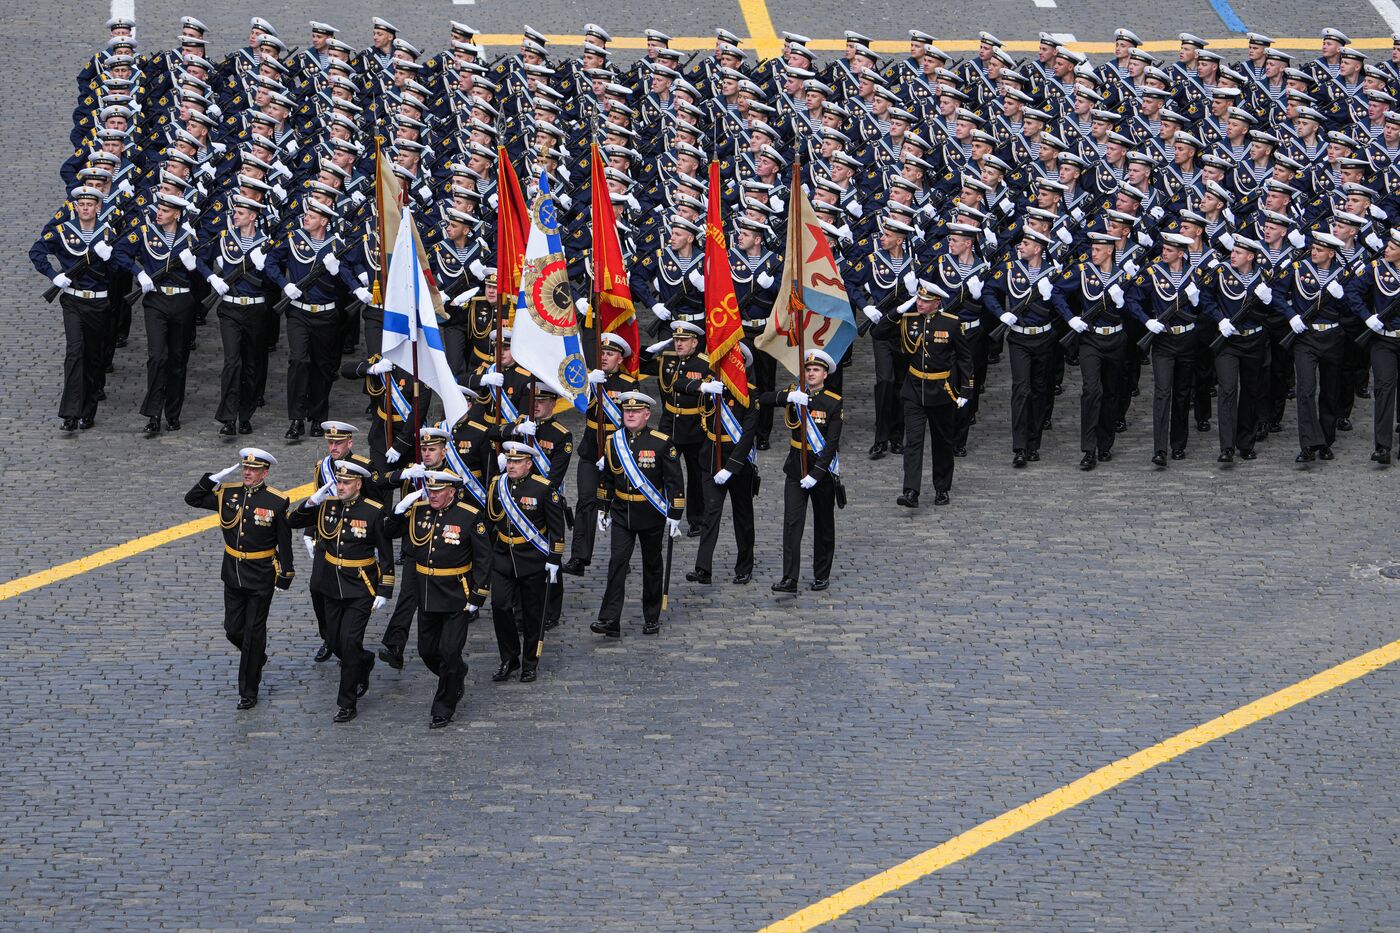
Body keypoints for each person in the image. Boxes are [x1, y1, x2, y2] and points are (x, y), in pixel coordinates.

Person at [184, 447, 294, 710]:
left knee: (254, 633)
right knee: (233, 629)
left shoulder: (276, 502)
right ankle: (257, 657)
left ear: (264, 473)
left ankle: (248, 691)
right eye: (245, 468)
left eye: (254, 470)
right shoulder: (228, 494)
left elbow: (285, 543)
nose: (247, 473)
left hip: (261, 575)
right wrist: (212, 479)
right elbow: (193, 499)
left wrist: (285, 574)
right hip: (233, 573)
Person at [288, 460, 394, 723]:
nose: (341, 486)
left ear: (358, 484)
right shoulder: (326, 506)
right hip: (331, 586)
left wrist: (385, 589)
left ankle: (347, 703)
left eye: (346, 482)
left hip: (360, 587)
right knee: (335, 642)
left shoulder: (374, 512)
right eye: (339, 481)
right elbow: (292, 521)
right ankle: (364, 660)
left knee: (349, 643)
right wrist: (310, 502)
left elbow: (387, 556)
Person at [383, 470, 490, 729]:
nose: (433, 495)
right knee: (427, 650)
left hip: (456, 596)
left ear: (452, 492)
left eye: (438, 491)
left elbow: (484, 559)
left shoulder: (469, 516)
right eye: (430, 490)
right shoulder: (419, 511)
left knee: (450, 651)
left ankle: (444, 706)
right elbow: (389, 531)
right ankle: (455, 676)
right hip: (427, 593)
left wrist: (478, 595)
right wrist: (400, 509)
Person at [592, 392, 685, 636]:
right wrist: (604, 508)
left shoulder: (661, 442)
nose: (630, 415)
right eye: (626, 411)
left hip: (651, 513)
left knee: (652, 565)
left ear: (647, 414)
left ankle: (651, 616)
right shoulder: (614, 441)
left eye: (635, 411)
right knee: (617, 564)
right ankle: (609, 619)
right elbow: (607, 479)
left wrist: (675, 514)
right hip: (622, 513)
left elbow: (675, 481)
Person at [114, 192, 207, 436]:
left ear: (176, 214)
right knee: (157, 356)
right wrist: (139, 272)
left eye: (165, 211)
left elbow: (204, 269)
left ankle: (173, 413)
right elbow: (119, 251)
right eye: (159, 209)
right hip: (156, 300)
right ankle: (154, 413)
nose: (159, 213)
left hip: (182, 300)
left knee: (178, 359)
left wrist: (193, 266)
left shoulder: (190, 239)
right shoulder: (145, 233)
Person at [873, 281, 972, 505]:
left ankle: (942, 487)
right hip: (914, 390)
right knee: (913, 442)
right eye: (918, 299)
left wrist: (966, 389)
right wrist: (897, 311)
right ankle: (910, 491)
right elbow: (878, 333)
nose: (919, 303)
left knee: (943, 443)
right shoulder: (908, 320)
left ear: (937, 303)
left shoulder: (951, 323)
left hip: (942, 391)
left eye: (925, 301)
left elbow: (965, 358)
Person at [30, 185, 117, 432]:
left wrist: (110, 259)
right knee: (75, 352)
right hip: (73, 300)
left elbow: (118, 273)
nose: (85, 208)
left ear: (99, 207)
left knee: (93, 357)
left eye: (90, 205)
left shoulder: (109, 234)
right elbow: (36, 251)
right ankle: (70, 413)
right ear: (76, 207)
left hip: (99, 302)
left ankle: (88, 411)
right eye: (81, 205)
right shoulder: (63, 231)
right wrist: (53, 275)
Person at [1125, 232, 1215, 465]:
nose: (1164, 252)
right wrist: (1147, 321)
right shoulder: (1153, 272)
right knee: (1163, 392)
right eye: (1164, 248)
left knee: (1183, 393)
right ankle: (1159, 448)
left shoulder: (1195, 275)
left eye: (1169, 250)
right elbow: (1132, 299)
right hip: (1163, 340)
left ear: (1181, 253)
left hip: (1187, 340)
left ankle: (1178, 444)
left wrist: (1196, 302)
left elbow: (1207, 306)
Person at [1277, 232, 1365, 461]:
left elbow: (1349, 311)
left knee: (1330, 391)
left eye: (1319, 249)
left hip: (1333, 337)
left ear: (1331, 253)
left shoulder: (1343, 274)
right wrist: (1291, 315)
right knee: (1305, 390)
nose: (1313, 251)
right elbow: (1276, 294)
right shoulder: (1297, 268)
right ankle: (1308, 443)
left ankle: (1326, 440)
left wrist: (1341, 297)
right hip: (1305, 335)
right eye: (1313, 248)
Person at [763, 349, 843, 593]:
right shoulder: (794, 393)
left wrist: (816, 474)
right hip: (796, 467)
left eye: (816, 370)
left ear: (825, 374)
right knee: (792, 522)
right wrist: (787, 398)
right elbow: (762, 399)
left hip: (822, 471)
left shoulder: (833, 402)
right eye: (807, 370)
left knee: (824, 524)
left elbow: (831, 444)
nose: (810, 373)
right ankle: (790, 577)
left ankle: (821, 574)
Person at [485, 441, 566, 680]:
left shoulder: (544, 488)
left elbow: (556, 528)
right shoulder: (496, 486)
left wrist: (554, 558)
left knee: (532, 614)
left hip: (532, 558)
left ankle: (530, 661)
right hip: (503, 557)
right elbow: (489, 519)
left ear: (529, 464)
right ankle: (509, 657)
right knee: (500, 606)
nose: (511, 466)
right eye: (509, 461)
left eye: (517, 462)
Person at [1051, 232, 1130, 469]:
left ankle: (1105, 444)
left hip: (1115, 339)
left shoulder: (1122, 276)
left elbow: (1136, 307)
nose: (1092, 253)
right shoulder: (1083, 271)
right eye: (1092, 249)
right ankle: (1088, 449)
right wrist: (1070, 318)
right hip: (1090, 339)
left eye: (1097, 250)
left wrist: (1122, 302)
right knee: (1091, 390)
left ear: (1110, 251)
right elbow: (1057, 292)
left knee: (1110, 392)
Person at [376, 425, 452, 670]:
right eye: (424, 449)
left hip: (442, 551)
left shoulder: (451, 477)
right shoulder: (414, 473)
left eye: (432, 449)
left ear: (444, 451)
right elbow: (380, 480)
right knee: (407, 597)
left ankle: (442, 649)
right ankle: (394, 645)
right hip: (415, 545)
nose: (427, 454)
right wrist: (404, 475)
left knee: (437, 606)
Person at [564, 332, 638, 576]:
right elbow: (574, 400)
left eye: (610, 354)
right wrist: (587, 384)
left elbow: (630, 421)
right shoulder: (588, 379)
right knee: (586, 502)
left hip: (617, 452)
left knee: (619, 505)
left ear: (620, 359)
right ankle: (579, 557)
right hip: (590, 449)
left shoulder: (628, 384)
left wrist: (613, 452)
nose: (605, 357)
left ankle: (621, 558)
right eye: (602, 353)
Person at [984, 229, 1058, 467]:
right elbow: (988, 291)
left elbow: (1065, 303)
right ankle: (1019, 447)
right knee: (1021, 390)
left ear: (1038, 249)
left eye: (1025, 244)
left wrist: (1051, 296)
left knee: (1039, 389)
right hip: (1019, 339)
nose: (1020, 247)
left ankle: (1033, 444)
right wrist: (1001, 313)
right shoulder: (1009, 269)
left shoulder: (1052, 273)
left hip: (1044, 338)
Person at [689, 345, 762, 584]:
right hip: (711, 457)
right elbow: (679, 384)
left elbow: (748, 435)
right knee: (710, 512)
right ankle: (703, 567)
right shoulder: (713, 388)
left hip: (738, 464)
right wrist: (703, 386)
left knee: (743, 515)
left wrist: (731, 467)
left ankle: (744, 566)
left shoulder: (750, 395)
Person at [203, 195, 272, 436]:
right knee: (233, 361)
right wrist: (212, 277)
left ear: (253, 217)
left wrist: (265, 267)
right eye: (236, 212)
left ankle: (246, 414)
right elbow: (199, 257)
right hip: (230, 308)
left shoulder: (266, 243)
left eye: (241, 213)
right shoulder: (224, 239)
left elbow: (274, 279)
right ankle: (229, 417)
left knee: (252, 364)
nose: (235, 215)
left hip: (255, 309)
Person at [1207, 238, 1277, 462]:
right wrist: (1219, 320)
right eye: (1233, 251)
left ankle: (1246, 442)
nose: (1233, 255)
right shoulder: (1220, 272)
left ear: (1251, 257)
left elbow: (1273, 309)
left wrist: (1268, 301)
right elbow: (1206, 299)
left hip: (1253, 341)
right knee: (1227, 389)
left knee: (1251, 391)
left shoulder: (1264, 276)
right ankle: (1226, 446)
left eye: (1238, 252)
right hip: (1228, 341)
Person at [1358, 230, 1400, 464]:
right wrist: (1367, 316)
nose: (1387, 250)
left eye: (1392, 248)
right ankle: (1382, 446)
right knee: (1384, 388)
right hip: (1383, 338)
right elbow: (1353, 292)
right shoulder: (1376, 268)